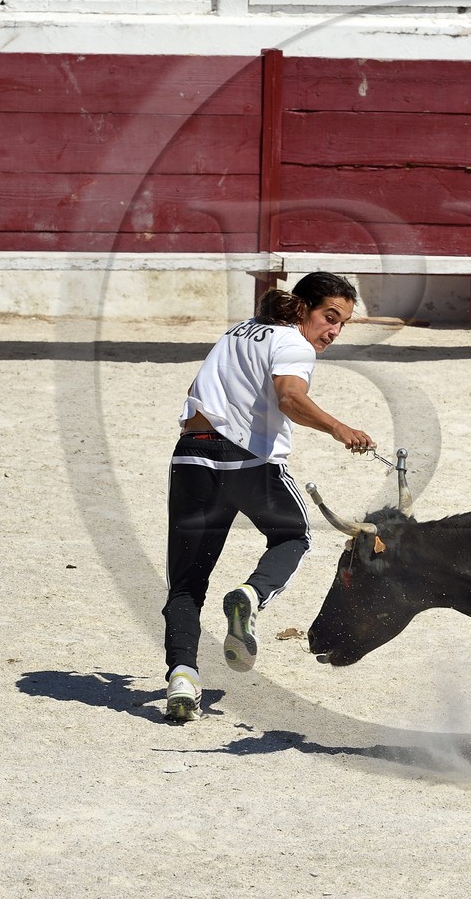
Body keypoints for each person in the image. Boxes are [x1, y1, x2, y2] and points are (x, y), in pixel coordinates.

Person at [162, 271, 376, 723]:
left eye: (343, 323)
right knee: (292, 537)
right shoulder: (294, 344)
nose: (334, 331)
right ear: (304, 308)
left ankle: (182, 678)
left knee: (185, 584)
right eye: (329, 317)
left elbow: (195, 392)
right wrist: (340, 428)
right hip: (248, 464)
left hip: (192, 458)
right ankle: (250, 595)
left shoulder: (237, 332)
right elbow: (290, 398)